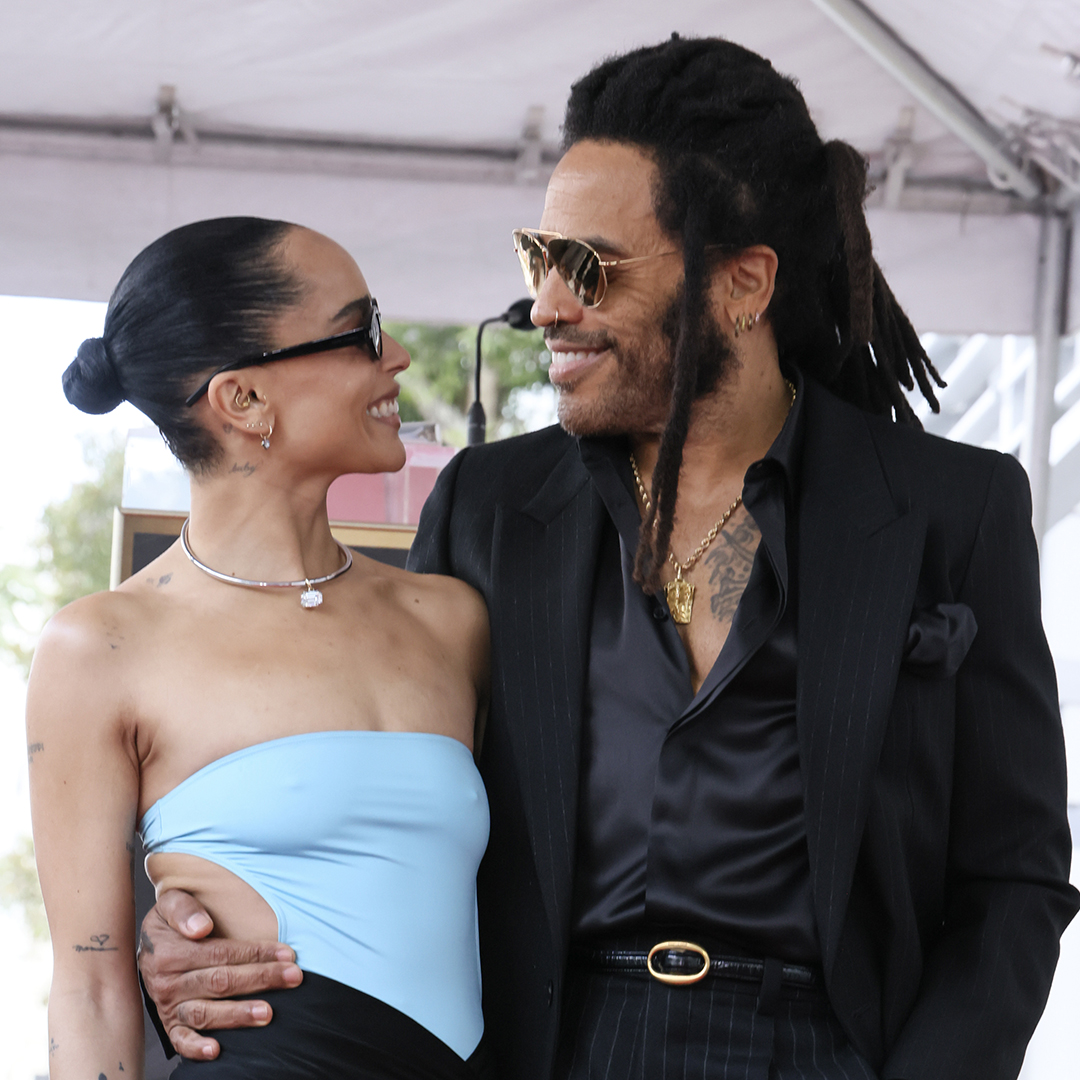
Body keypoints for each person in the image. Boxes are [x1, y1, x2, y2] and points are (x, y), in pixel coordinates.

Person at [137, 37, 1079, 1080]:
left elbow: (1015, 874)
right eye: (535, 258)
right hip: (552, 1047)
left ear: (744, 283)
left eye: (587, 267)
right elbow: (377, 789)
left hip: (827, 1050)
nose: (545, 304)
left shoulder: (950, 506)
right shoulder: (492, 506)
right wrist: (191, 916)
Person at [27, 217, 491, 1080]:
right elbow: (89, 991)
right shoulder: (100, 647)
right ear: (242, 399)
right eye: (363, 333)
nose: (397, 360)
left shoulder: (451, 621)